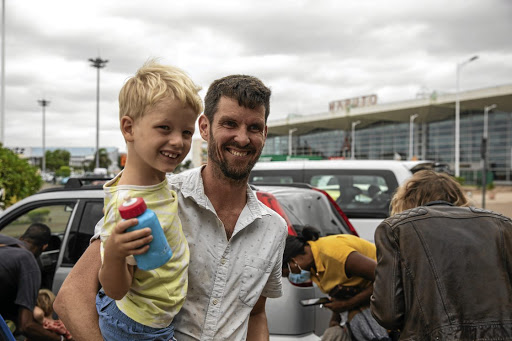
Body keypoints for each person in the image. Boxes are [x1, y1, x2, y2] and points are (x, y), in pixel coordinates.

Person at [54, 73, 288, 340]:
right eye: (230, 123)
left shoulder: (273, 228)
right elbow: (71, 297)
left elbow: (256, 314)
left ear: (265, 134)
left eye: (255, 128)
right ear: (204, 127)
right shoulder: (155, 198)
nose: (243, 138)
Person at [94, 60, 203, 340]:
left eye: (186, 132)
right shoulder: (128, 206)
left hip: (154, 318)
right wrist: (116, 254)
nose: (178, 141)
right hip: (137, 327)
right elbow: (117, 289)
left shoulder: (156, 181)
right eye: (165, 128)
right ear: (129, 129)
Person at [371, 170, 512, 340]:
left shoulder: (396, 229)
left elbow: (388, 313)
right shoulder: (502, 225)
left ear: (406, 200)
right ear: (457, 197)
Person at [283, 226, 390, 341]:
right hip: (374, 296)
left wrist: (348, 304)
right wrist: (335, 320)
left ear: (294, 262)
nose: (292, 277)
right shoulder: (314, 267)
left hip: (392, 293)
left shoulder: (335, 255)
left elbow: (387, 278)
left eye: (288, 273)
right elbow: (341, 288)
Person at [0, 223, 62, 340]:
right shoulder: (29, 263)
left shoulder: (5, 240)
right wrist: (60, 339)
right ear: (44, 247)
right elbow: (26, 326)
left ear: (21, 238)